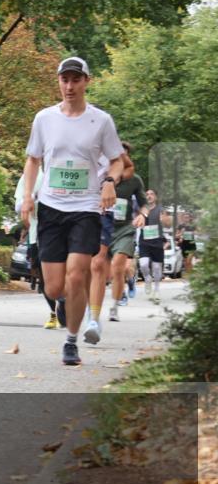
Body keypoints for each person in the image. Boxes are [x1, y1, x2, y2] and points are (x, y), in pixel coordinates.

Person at [21, 57, 124, 366]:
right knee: (54, 287)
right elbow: (32, 160)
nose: (69, 85)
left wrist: (108, 181)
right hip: (51, 207)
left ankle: (71, 341)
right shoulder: (44, 118)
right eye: (64, 79)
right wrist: (27, 197)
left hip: (85, 208)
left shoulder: (101, 121)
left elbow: (117, 160)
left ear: (86, 82)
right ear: (59, 82)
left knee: (78, 274)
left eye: (75, 79)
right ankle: (70, 303)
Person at [82, 149, 135, 344]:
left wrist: (111, 182)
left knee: (97, 264)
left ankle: (93, 320)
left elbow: (128, 166)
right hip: (71, 208)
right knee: (78, 267)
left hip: (102, 210)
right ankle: (77, 303)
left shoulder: (108, 140)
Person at [106, 142, 148, 323]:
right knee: (102, 271)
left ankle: (114, 307)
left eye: (124, 156)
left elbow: (144, 203)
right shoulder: (102, 175)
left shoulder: (135, 180)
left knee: (118, 266)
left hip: (124, 228)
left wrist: (143, 215)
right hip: (102, 226)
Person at [15, 168, 60, 329]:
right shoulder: (28, 177)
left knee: (63, 273)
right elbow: (18, 207)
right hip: (37, 235)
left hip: (60, 231)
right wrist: (32, 198)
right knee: (43, 276)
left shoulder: (57, 172)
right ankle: (54, 313)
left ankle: (64, 305)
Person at [138, 189, 165, 304]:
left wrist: (164, 220)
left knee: (157, 268)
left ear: (156, 197)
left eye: (151, 194)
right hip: (144, 241)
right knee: (143, 264)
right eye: (147, 194)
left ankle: (157, 290)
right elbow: (139, 221)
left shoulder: (160, 209)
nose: (149, 196)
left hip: (157, 241)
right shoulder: (143, 209)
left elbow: (167, 222)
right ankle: (147, 278)